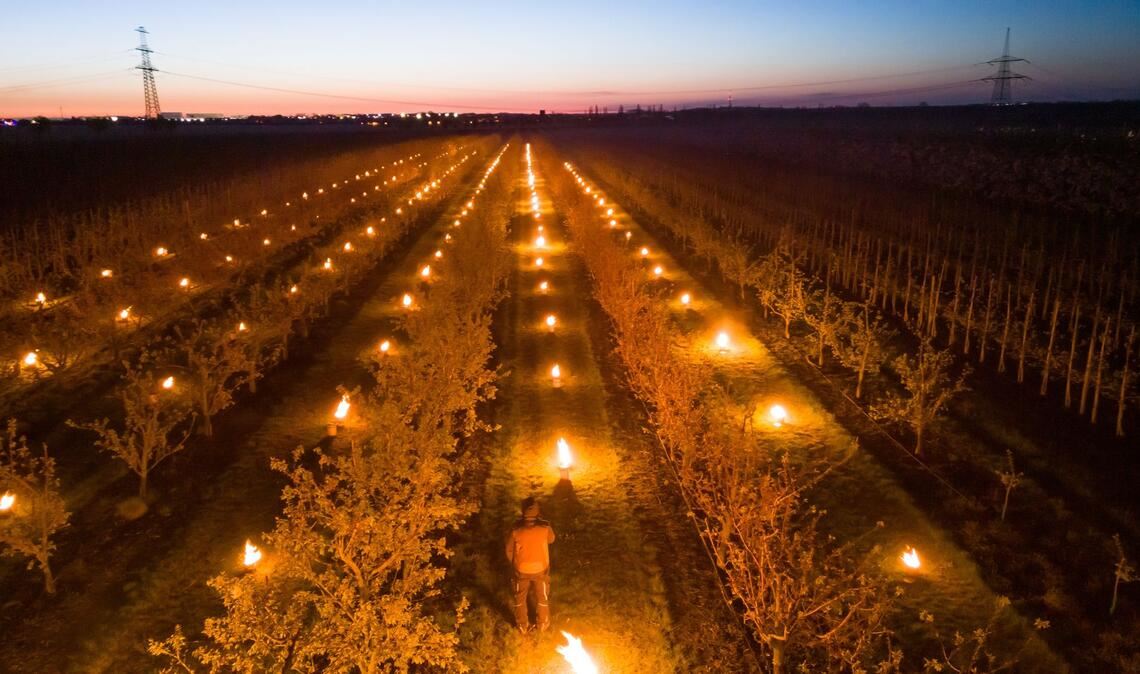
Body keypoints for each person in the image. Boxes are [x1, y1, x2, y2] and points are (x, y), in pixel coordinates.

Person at [505, 496, 555, 633]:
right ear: (538, 513)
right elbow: (551, 540)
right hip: (541, 569)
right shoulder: (544, 528)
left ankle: (522, 626)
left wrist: (515, 564)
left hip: (521, 570)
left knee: (519, 597)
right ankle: (543, 624)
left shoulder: (516, 530)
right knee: (542, 597)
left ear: (523, 513)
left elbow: (509, 549)